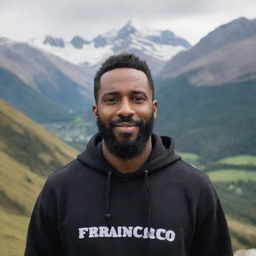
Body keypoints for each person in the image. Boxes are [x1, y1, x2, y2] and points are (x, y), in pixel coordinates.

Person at [25, 53, 233, 256]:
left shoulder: (195, 188)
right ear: (95, 110)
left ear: (154, 108)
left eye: (137, 98)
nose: (125, 110)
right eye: (112, 99)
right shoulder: (60, 189)